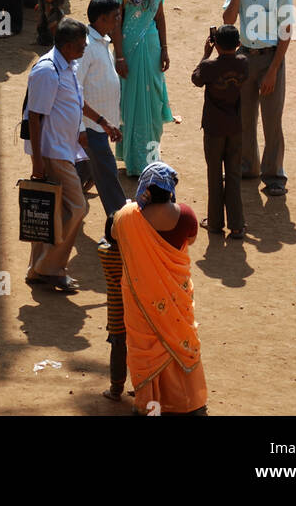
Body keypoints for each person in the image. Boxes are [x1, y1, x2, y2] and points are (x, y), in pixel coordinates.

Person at [24, 17, 121, 293]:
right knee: (77, 207)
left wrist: (103, 121)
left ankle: (37, 269)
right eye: (80, 45)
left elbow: (77, 103)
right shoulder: (47, 71)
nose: (84, 48)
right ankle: (50, 268)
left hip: (66, 149)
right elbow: (35, 118)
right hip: (53, 152)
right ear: (66, 46)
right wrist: (38, 164)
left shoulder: (69, 65)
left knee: (53, 211)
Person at [112, 162, 207, 416]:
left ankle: (149, 404)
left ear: (145, 190)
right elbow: (190, 240)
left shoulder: (127, 217)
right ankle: (187, 402)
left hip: (141, 302)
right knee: (180, 339)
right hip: (177, 297)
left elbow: (113, 233)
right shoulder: (186, 216)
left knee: (147, 347)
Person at [222, 0, 293, 195]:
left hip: (270, 58)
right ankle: (247, 166)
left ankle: (274, 176)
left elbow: (285, 33)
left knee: (272, 119)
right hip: (244, 58)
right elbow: (228, 20)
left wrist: (273, 70)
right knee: (245, 116)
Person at [109, 0, 171, 176]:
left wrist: (165, 48)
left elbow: (160, 17)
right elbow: (116, 23)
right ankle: (135, 161)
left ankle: (152, 157)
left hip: (152, 48)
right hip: (130, 51)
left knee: (153, 102)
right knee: (131, 103)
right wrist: (120, 56)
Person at [192, 24, 249, 237]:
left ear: (215, 44)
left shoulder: (209, 66)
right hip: (235, 127)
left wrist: (206, 55)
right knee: (233, 174)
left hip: (214, 128)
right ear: (239, 44)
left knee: (214, 174)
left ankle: (215, 223)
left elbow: (196, 79)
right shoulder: (243, 63)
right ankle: (237, 224)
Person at [76, 0, 128, 216]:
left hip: (101, 123)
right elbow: (73, 90)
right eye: (115, 17)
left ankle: (68, 198)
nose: (118, 21)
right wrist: (79, 129)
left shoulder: (101, 41)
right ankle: (120, 220)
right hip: (90, 126)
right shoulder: (86, 47)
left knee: (85, 165)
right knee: (107, 172)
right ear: (100, 19)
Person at [97, 216, 127, 403]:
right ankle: (142, 387)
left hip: (116, 314)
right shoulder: (131, 256)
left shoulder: (103, 252)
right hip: (135, 313)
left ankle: (116, 389)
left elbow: (103, 240)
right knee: (138, 350)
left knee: (117, 350)